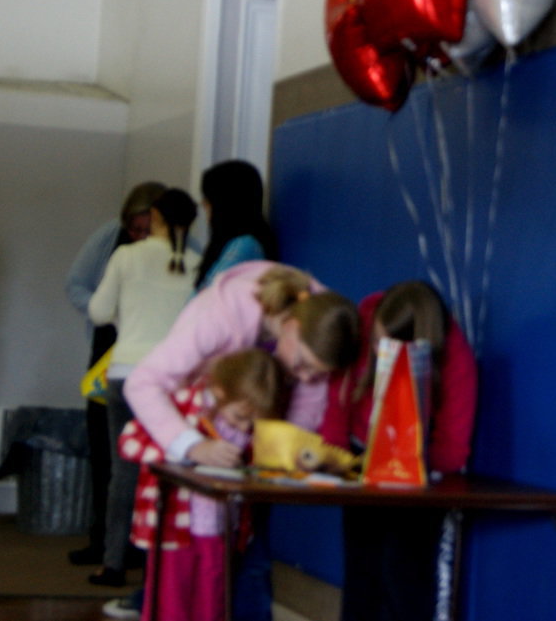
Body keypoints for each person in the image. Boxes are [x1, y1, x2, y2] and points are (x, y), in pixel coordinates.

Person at [124, 260, 359, 621]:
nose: (305, 377)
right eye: (302, 365)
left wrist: (291, 454)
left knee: (246, 557)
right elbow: (142, 383)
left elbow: (308, 409)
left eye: (317, 372)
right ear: (291, 327)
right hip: (190, 437)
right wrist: (191, 445)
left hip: (236, 455)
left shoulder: (325, 319)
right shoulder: (219, 315)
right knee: (185, 575)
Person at [320, 281, 478, 621]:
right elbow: (340, 393)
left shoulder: (456, 358)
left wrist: (406, 462)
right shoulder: (363, 318)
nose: (377, 350)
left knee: (405, 574)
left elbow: (453, 447)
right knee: (361, 568)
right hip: (361, 457)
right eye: (375, 340)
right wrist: (335, 453)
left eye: (385, 344)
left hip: (418, 471)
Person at [87, 188, 201, 587]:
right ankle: (160, 569)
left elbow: (98, 311)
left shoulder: (126, 256)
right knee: (171, 471)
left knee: (125, 472)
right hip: (174, 379)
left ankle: (112, 564)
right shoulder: (197, 264)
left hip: (127, 375)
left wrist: (127, 321)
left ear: (153, 216)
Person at [118, 348, 285, 621]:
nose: (245, 428)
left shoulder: (246, 423)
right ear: (219, 392)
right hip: (175, 528)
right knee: (171, 603)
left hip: (221, 531)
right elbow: (130, 442)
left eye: (252, 423)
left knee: (212, 604)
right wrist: (187, 449)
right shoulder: (183, 403)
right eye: (240, 417)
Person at [64, 180, 166, 569]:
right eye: (134, 230)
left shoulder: (181, 250)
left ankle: (139, 544)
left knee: (146, 454)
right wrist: (106, 311)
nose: (140, 237)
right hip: (109, 348)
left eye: (147, 230)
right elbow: (75, 285)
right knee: (105, 449)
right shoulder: (109, 240)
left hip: (154, 355)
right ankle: (102, 538)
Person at [193, 160, 278, 292]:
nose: (204, 204)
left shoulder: (245, 245)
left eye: (209, 199)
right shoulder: (235, 244)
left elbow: (208, 295)